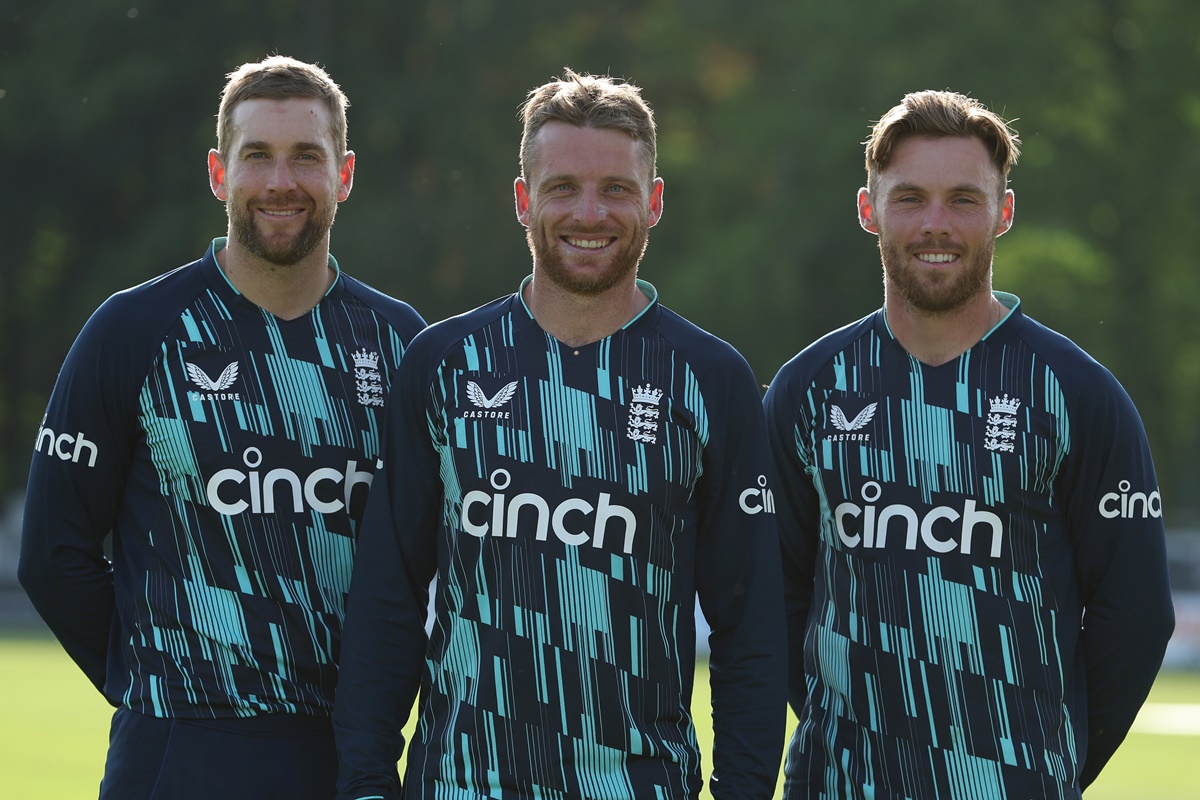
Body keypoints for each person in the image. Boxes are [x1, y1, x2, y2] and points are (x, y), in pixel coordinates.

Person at [332, 69, 787, 800]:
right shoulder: (443, 364)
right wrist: (364, 783)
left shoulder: (712, 378)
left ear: (655, 202)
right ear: (522, 200)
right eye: (562, 187)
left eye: (615, 188)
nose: (589, 211)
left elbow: (750, 628)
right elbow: (387, 597)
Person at [18, 55, 425, 799]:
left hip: (344, 756)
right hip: (176, 747)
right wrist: (157, 671)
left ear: (345, 174)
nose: (280, 182)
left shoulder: (400, 343)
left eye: (307, 156)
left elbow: (425, 565)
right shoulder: (134, 328)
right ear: (218, 172)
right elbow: (53, 553)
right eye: (256, 156)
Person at [763, 89, 1175, 798]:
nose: (935, 224)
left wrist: (1045, 764)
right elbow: (772, 597)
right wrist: (854, 744)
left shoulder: (1077, 393)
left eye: (963, 199)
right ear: (869, 211)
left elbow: (1134, 617)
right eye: (910, 198)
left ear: (1003, 213)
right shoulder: (807, 389)